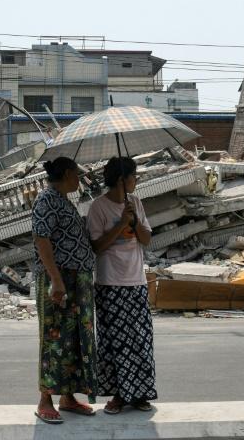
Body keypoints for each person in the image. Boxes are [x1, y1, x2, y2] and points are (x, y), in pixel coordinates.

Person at [87, 156, 157, 414]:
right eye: (133, 176)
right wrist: (119, 225)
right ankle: (118, 395)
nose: (136, 180)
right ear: (121, 180)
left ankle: (139, 394)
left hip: (136, 281)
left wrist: (133, 221)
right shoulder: (98, 208)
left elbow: (146, 239)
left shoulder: (136, 203)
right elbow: (97, 246)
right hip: (110, 284)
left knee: (140, 340)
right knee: (114, 341)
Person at [32, 157, 97, 424]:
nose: (79, 180)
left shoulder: (62, 199)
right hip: (60, 280)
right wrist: (56, 280)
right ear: (68, 174)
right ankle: (45, 399)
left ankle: (67, 397)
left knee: (74, 339)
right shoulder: (46, 200)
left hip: (76, 280)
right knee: (54, 338)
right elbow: (41, 239)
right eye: (77, 175)